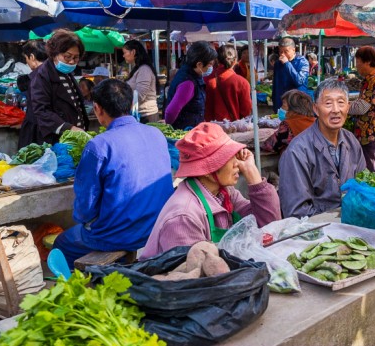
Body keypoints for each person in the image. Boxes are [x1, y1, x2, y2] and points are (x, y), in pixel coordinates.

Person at [53, 79, 174, 268]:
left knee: (61, 244)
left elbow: (85, 207)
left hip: (118, 236)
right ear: (131, 104)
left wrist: (86, 221)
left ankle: (87, 290)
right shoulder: (156, 134)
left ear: (97, 108)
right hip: (158, 226)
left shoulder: (98, 145)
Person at [141, 122, 281, 258]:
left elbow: (270, 226)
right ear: (207, 171)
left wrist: (253, 173)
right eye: (229, 157)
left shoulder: (225, 194)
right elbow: (191, 273)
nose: (238, 163)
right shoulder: (183, 217)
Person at [278, 79, 366, 218]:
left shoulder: (352, 141)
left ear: (348, 108)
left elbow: (363, 187)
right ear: (316, 109)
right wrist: (336, 219)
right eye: (328, 103)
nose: (336, 110)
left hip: (351, 223)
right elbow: (296, 212)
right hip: (315, 232)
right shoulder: (298, 151)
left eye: (341, 103)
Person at [29, 29, 89, 144]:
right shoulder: (42, 76)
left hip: (74, 138)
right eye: (67, 56)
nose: (72, 62)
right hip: (56, 141)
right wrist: (69, 128)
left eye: (76, 57)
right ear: (54, 54)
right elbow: (42, 110)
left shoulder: (66, 73)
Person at [350, 46, 375, 173]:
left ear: (367, 62)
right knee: (367, 172)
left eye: (358, 62)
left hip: (373, 134)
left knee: (372, 174)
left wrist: (342, 107)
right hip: (369, 133)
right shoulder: (371, 78)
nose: (357, 66)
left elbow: (362, 107)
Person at [164, 41, 217, 130]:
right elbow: (171, 112)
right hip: (184, 133)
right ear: (199, 64)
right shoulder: (188, 83)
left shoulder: (191, 74)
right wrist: (168, 124)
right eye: (210, 65)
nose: (211, 68)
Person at [204, 45, 252, 122]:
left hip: (210, 128)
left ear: (216, 60)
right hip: (233, 128)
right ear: (235, 60)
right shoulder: (242, 82)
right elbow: (246, 111)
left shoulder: (205, 79)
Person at [17, 40, 49, 148]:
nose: (27, 63)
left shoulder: (36, 77)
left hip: (36, 131)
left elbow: (39, 110)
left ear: (32, 57)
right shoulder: (53, 74)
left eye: (26, 59)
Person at [123, 40, 160, 123]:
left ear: (133, 52)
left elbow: (140, 95)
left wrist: (121, 98)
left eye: (125, 52)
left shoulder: (144, 70)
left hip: (146, 116)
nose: (123, 55)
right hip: (141, 114)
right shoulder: (138, 68)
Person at [272, 37, 309, 110]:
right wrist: (275, 102)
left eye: (286, 51)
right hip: (281, 103)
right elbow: (276, 85)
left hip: (297, 103)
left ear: (293, 50)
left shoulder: (303, 62)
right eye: (280, 52)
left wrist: (287, 63)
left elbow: (299, 81)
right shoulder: (278, 64)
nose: (283, 54)